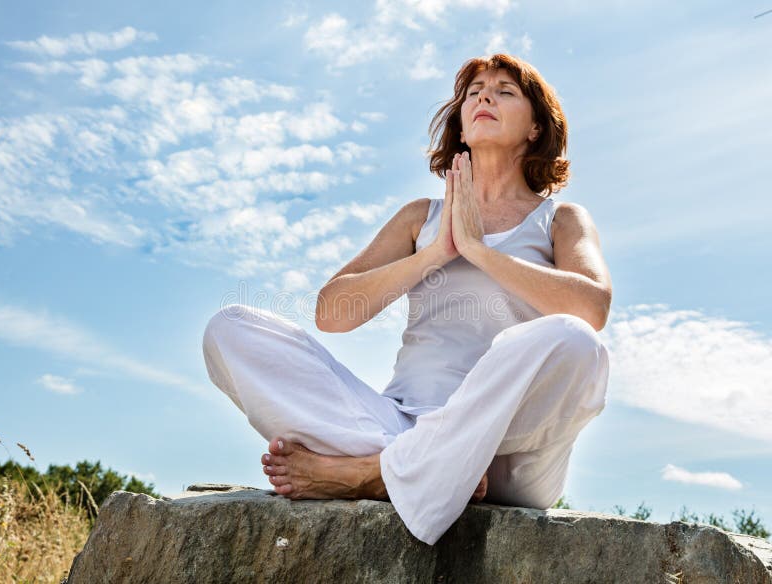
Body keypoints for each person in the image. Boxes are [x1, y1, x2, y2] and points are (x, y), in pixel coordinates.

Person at [202, 53, 612, 546]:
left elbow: (591, 310)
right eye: (475, 90)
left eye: (505, 91)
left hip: (507, 459)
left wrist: (480, 251)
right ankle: (428, 468)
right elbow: (331, 313)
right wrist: (436, 252)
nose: (484, 96)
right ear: (460, 122)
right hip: (398, 424)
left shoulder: (561, 220)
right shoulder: (421, 216)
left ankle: (368, 475)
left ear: (535, 128)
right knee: (230, 328)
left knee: (575, 341)